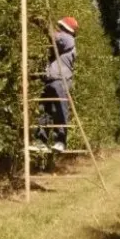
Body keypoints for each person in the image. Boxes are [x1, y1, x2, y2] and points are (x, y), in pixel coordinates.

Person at [31, 16, 77, 153]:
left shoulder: (68, 39)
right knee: (44, 111)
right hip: (50, 80)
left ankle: (60, 141)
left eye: (61, 28)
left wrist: (43, 24)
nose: (59, 30)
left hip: (60, 80)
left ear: (66, 29)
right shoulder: (59, 46)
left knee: (60, 110)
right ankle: (41, 141)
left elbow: (54, 36)